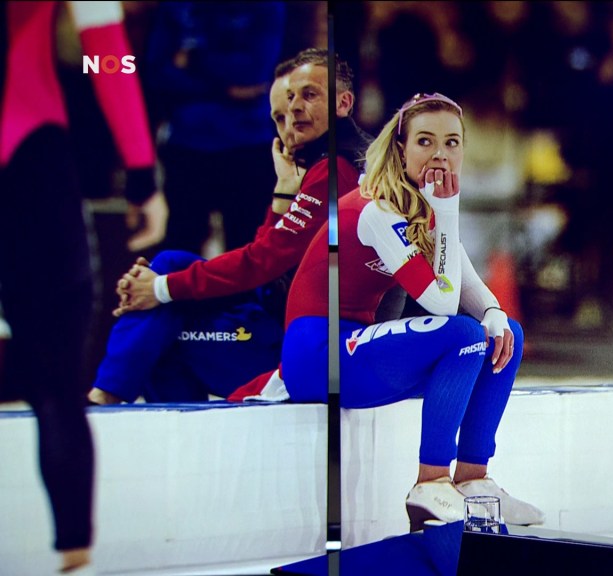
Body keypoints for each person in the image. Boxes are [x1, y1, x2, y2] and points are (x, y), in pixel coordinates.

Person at [230, 92, 545, 532]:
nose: (440, 154)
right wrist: (447, 212)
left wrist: (492, 311)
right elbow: (441, 303)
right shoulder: (376, 208)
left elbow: (467, 285)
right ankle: (430, 483)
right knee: (463, 334)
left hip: (358, 351)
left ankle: (473, 479)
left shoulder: (423, 205)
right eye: (425, 141)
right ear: (401, 148)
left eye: (452, 143)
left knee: (506, 332)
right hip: (317, 354)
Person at [86, 48, 367, 405]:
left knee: (160, 333)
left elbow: (262, 263)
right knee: (170, 263)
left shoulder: (334, 170)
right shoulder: (335, 161)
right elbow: (270, 260)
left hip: (303, 347)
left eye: (308, 96)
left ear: (343, 103)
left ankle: (106, 399)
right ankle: (109, 394)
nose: (291, 118)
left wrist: (158, 288)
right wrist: (283, 192)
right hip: (290, 323)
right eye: (279, 115)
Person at [0, 2, 165, 573]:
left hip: (33, 157)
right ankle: (74, 556)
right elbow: (106, 52)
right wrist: (140, 171)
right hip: (29, 159)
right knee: (56, 385)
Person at [143, 1, 286, 256]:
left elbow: (253, 72)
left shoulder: (266, 6)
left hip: (248, 144)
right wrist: (227, 88)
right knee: (180, 250)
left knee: (248, 251)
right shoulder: (175, 6)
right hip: (186, 144)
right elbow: (158, 73)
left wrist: (192, 59)